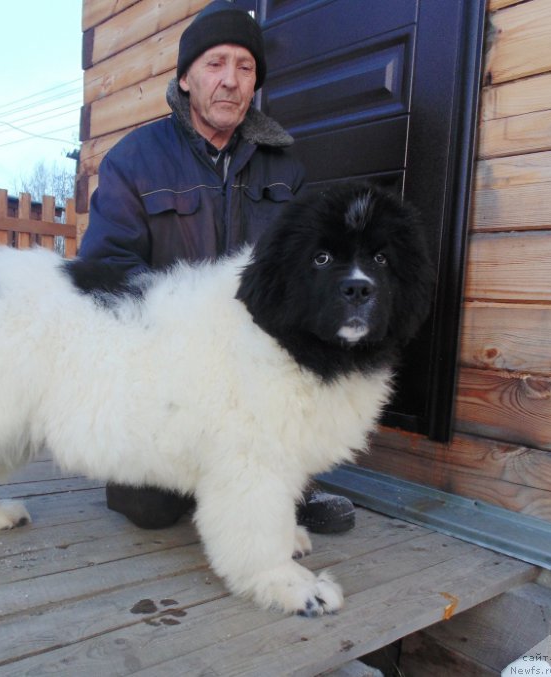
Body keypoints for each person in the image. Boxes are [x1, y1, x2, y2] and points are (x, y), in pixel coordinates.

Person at [79, 0, 356, 534]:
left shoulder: (287, 170)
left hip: (260, 369)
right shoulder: (133, 161)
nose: (230, 80)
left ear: (255, 83)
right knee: (149, 511)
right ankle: (211, 479)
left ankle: (286, 481)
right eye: (215, 64)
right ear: (185, 78)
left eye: (245, 67)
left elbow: (309, 274)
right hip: (167, 367)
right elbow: (107, 273)